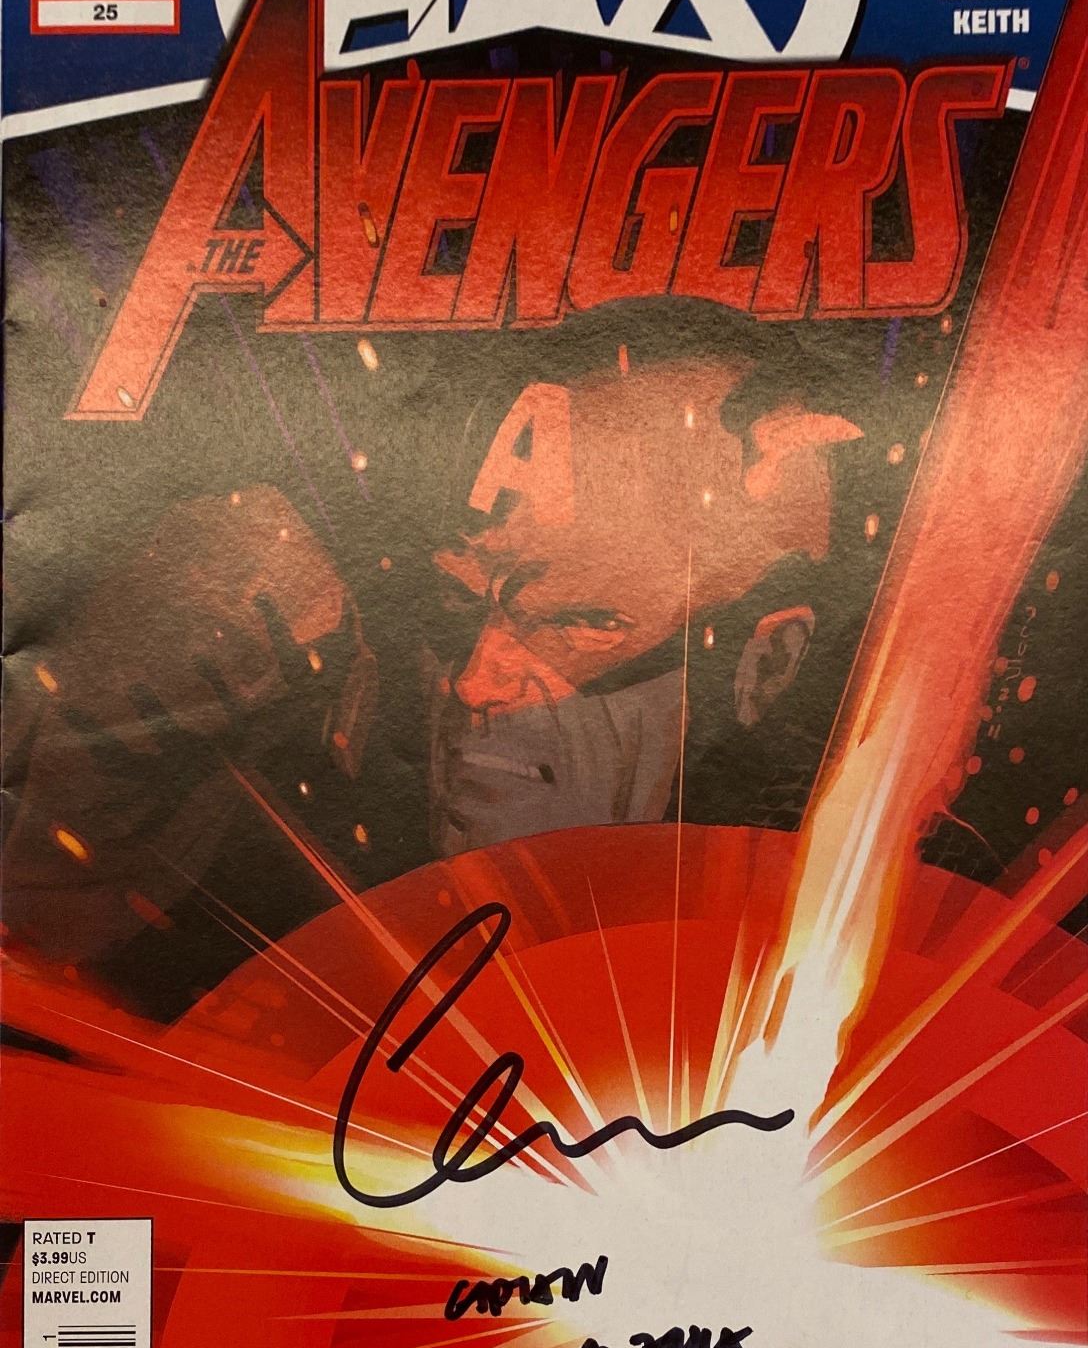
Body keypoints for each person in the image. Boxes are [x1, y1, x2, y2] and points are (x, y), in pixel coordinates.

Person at [2, 309, 873, 1011]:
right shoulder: (283, 872)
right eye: (460, 602)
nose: (474, 681)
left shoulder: (849, 951)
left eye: (580, 624)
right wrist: (101, 778)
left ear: (767, 665)